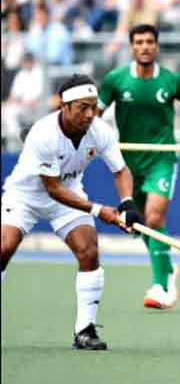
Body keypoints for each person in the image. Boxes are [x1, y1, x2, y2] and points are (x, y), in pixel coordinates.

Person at [1, 74, 143, 350]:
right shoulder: (43, 134)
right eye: (82, 107)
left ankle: (85, 331)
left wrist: (127, 203)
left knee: (89, 250)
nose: (90, 114)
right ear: (64, 107)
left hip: (69, 196)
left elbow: (121, 171)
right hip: (25, 196)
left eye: (93, 107)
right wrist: (99, 210)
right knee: (4, 247)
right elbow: (52, 189)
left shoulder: (100, 131)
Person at [97, 24, 180, 309]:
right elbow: (94, 115)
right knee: (137, 224)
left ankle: (161, 285)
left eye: (149, 42)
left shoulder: (172, 80)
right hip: (128, 163)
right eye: (139, 42)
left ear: (156, 46)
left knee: (154, 218)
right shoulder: (116, 80)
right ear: (131, 47)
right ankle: (167, 266)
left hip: (161, 159)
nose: (144, 46)